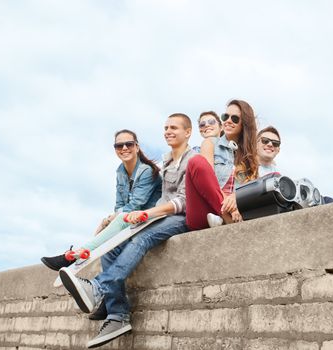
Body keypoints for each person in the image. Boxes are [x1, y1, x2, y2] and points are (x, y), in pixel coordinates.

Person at [58, 113, 196, 348]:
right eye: (166, 127)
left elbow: (183, 201)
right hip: (160, 215)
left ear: (188, 132)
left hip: (182, 217)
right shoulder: (168, 162)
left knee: (141, 238)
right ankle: (117, 315)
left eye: (174, 127)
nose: (168, 131)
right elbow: (125, 204)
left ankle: (99, 287)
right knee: (112, 248)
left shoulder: (192, 159)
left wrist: (148, 214)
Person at [41, 130, 162, 271]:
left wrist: (110, 220)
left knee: (119, 218)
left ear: (136, 146)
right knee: (111, 233)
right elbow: (119, 204)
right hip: (130, 220)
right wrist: (108, 220)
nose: (124, 148)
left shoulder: (146, 171)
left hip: (148, 218)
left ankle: (76, 255)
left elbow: (137, 204)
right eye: (119, 146)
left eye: (128, 144)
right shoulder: (120, 171)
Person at [185, 99, 258, 230]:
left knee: (272, 176)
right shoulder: (210, 143)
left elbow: (251, 187)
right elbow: (208, 180)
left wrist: (236, 198)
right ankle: (226, 217)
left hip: (237, 211)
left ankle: (225, 217)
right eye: (226, 116)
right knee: (196, 162)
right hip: (206, 210)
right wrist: (228, 208)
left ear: (245, 124)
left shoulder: (251, 158)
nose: (228, 121)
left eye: (235, 118)